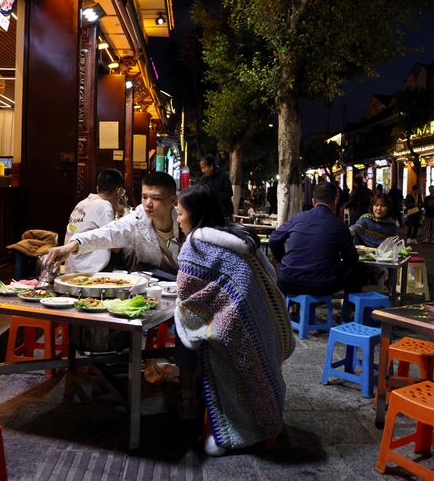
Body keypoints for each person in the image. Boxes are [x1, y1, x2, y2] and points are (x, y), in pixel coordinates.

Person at [174, 185, 294, 456]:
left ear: (195, 214)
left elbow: (187, 293)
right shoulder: (240, 235)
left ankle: (226, 429)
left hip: (234, 329)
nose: (178, 219)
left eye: (180, 213)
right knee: (261, 373)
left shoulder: (196, 245)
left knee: (200, 348)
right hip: (266, 323)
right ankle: (268, 419)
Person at [44, 172, 180, 277]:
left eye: (156, 198)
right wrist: (69, 247)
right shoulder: (139, 219)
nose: (148, 203)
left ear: (173, 200)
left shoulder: (185, 222)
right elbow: (108, 232)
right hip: (154, 282)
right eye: (144, 197)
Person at [269, 182, 366, 295]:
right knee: (357, 269)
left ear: (313, 201)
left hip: (288, 281)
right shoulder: (339, 225)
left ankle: (292, 306)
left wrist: (282, 259)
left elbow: (274, 240)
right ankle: (348, 310)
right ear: (335, 201)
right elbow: (352, 259)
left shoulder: (297, 218)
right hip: (321, 285)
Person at [62, 169, 126, 274]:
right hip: (87, 271)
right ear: (119, 191)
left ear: (97, 188)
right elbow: (116, 247)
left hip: (71, 268)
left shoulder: (81, 203)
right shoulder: (104, 206)